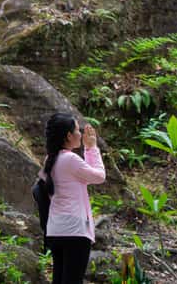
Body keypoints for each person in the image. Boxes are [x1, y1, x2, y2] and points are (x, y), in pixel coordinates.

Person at [42, 112, 105, 284]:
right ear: (69, 135)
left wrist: (88, 150)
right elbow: (99, 176)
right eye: (77, 130)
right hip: (74, 231)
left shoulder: (50, 159)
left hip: (56, 230)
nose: (81, 133)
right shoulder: (70, 159)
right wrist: (92, 148)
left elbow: (86, 177)